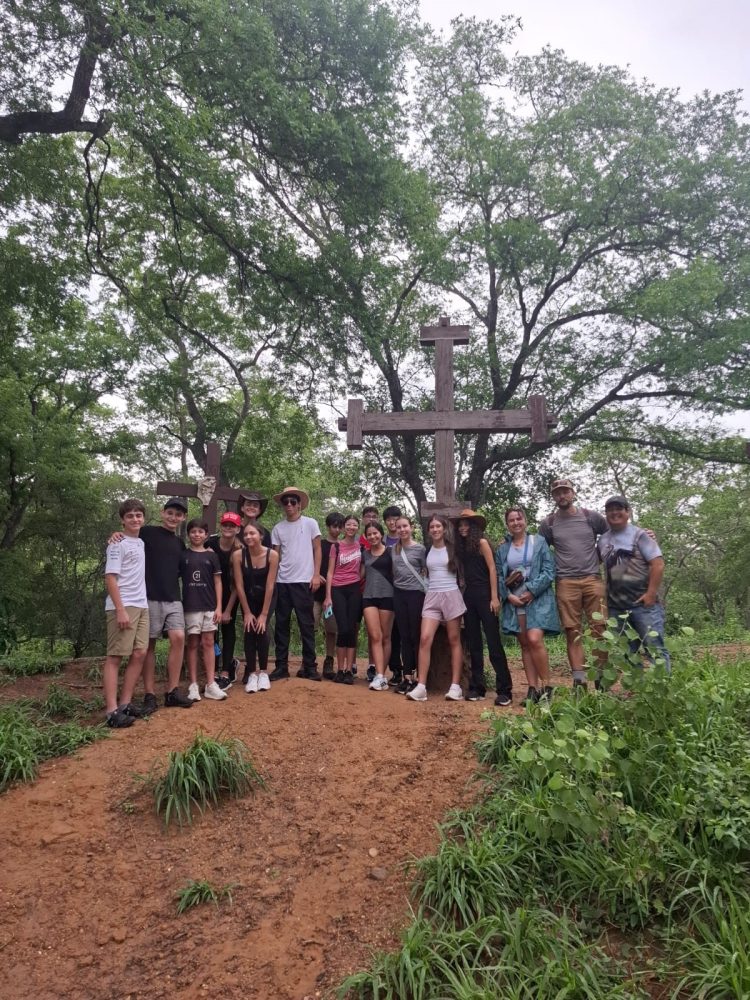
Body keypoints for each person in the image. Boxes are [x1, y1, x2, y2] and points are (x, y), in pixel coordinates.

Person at [109, 497, 193, 709]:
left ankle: (172, 691)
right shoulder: (147, 533)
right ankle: (149, 694)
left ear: (183, 518)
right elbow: (127, 537)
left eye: (179, 514)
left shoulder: (179, 543)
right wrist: (114, 534)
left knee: (178, 637)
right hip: (148, 597)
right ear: (162, 512)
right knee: (148, 646)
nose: (174, 517)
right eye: (170, 513)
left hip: (173, 597)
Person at [538, 478, 609, 690]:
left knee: (600, 628)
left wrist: (599, 557)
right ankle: (579, 680)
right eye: (557, 492)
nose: (562, 495)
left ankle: (601, 678)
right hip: (566, 581)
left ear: (573, 493)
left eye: (565, 491)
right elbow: (540, 550)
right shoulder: (548, 523)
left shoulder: (591, 517)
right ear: (553, 496)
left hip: (592, 579)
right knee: (573, 631)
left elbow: (610, 536)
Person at [597, 495, 671, 675]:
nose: (614, 513)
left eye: (619, 509)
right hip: (616, 607)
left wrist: (651, 594)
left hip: (644, 605)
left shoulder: (640, 535)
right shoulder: (603, 540)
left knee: (655, 648)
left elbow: (658, 564)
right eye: (610, 510)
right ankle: (637, 690)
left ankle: (662, 689)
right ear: (606, 514)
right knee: (628, 651)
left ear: (627, 512)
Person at [497, 506, 560, 706]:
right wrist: (507, 596)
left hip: (537, 598)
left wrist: (532, 590)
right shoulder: (503, 548)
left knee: (534, 639)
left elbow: (550, 570)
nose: (516, 523)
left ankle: (547, 687)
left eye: (519, 519)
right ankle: (532, 689)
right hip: (515, 601)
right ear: (507, 524)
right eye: (511, 520)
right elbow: (499, 575)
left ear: (525, 520)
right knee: (524, 643)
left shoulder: (539, 542)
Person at [453, 509, 513, 707]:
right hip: (469, 596)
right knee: (474, 643)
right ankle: (477, 687)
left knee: (494, 642)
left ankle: (504, 689)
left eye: (466, 524)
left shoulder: (482, 543)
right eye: (460, 525)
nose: (463, 528)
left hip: (485, 595)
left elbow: (492, 569)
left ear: (474, 526)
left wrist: (494, 597)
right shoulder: (461, 547)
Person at [407, 515, 467, 703]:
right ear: (428, 530)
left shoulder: (454, 549)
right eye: (432, 526)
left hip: (451, 594)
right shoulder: (427, 550)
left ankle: (455, 686)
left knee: (454, 640)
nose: (435, 529)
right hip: (432, 595)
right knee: (425, 638)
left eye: (438, 526)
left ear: (444, 528)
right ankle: (421, 686)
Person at [101, 499, 151, 728]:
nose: (135, 519)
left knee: (139, 653)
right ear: (122, 519)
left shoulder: (140, 542)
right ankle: (111, 711)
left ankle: (125, 704)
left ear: (144, 518)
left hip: (142, 604)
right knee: (115, 657)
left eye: (138, 515)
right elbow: (110, 577)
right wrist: (120, 609)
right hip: (123, 604)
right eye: (130, 516)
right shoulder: (116, 544)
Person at [270, 486, 323, 681]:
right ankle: (281, 666)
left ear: (300, 504)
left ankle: (310, 666)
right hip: (283, 581)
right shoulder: (278, 528)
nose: (290, 505)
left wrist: (316, 574)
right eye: (286, 502)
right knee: (281, 624)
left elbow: (317, 549)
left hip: (304, 581)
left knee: (306, 625)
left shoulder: (310, 524)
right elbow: (275, 555)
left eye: (293, 501)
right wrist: (273, 580)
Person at [180, 519, 227, 701]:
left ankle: (210, 684)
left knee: (208, 642)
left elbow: (218, 582)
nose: (197, 535)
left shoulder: (212, 556)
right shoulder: (183, 556)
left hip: (210, 606)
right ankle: (193, 685)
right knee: (192, 643)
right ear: (188, 534)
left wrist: (219, 607)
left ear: (206, 535)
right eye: (193, 531)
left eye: (201, 531)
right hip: (191, 606)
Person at [233, 521, 279, 692]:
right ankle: (252, 673)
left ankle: (264, 673)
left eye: (252, 533)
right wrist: (247, 612)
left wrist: (264, 614)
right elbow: (238, 585)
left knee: (262, 628)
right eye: (245, 534)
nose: (248, 537)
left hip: (267, 597)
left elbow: (270, 585)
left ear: (261, 536)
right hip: (248, 596)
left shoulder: (272, 555)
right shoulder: (238, 555)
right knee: (249, 629)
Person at [324, 515, 363, 685]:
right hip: (337, 589)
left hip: (354, 589)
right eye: (348, 524)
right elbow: (330, 572)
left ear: (357, 527)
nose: (351, 527)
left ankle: (349, 670)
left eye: (354, 524)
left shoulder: (361, 546)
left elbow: (364, 568)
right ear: (344, 527)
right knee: (342, 628)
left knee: (352, 629)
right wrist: (328, 596)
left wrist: (356, 579)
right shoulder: (336, 547)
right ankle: (340, 670)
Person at [391, 515, 427, 695]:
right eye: (399, 527)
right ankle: (407, 677)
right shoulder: (393, 550)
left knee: (416, 635)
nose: (402, 530)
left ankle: (419, 677)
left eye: (405, 526)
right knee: (404, 635)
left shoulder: (420, 549)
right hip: (399, 594)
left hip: (416, 595)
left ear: (411, 527)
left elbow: (426, 571)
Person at [206, 511, 243, 688]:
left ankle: (226, 671)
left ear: (237, 529)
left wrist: (227, 609)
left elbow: (237, 585)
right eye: (225, 525)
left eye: (232, 526)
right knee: (211, 633)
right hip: (208, 595)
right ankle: (212, 670)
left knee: (228, 629)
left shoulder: (240, 550)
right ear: (221, 526)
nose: (228, 528)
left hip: (230, 595)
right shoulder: (210, 543)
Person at [362, 521, 395, 691]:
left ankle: (382, 675)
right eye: (369, 534)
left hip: (388, 597)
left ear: (381, 534)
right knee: (375, 636)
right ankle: (380, 675)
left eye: (375, 533)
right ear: (366, 537)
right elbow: (360, 574)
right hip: (368, 597)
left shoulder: (391, 552)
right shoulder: (365, 554)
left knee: (386, 637)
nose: (373, 536)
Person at [314, 512, 343, 679]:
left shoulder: (342, 546)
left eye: (340, 526)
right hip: (316, 592)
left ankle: (329, 660)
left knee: (332, 630)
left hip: (333, 595)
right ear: (328, 526)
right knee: (311, 625)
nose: (337, 529)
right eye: (334, 526)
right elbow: (310, 562)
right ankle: (308, 659)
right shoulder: (320, 545)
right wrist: (316, 574)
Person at [381, 505, 404, 686]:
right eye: (388, 519)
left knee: (405, 631)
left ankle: (410, 670)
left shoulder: (406, 539)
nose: (392, 522)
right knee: (390, 633)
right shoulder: (381, 540)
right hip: (385, 592)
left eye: (395, 519)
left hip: (404, 590)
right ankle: (395, 670)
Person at [360, 505, 379, 680]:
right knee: (351, 627)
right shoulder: (357, 542)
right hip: (356, 591)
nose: (371, 518)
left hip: (375, 592)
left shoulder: (381, 542)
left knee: (373, 631)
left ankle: (373, 666)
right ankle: (350, 665)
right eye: (368, 516)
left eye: (374, 516)